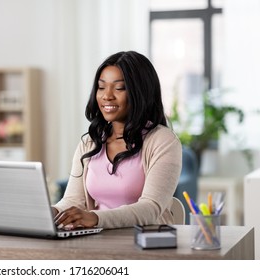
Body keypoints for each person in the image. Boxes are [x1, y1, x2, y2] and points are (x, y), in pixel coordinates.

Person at [52, 51, 182, 230]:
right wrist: (51, 212)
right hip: (96, 243)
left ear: (140, 92)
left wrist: (95, 218)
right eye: (101, 87)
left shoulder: (163, 141)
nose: (107, 96)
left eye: (119, 88)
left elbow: (151, 208)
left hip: (145, 245)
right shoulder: (90, 142)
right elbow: (74, 200)